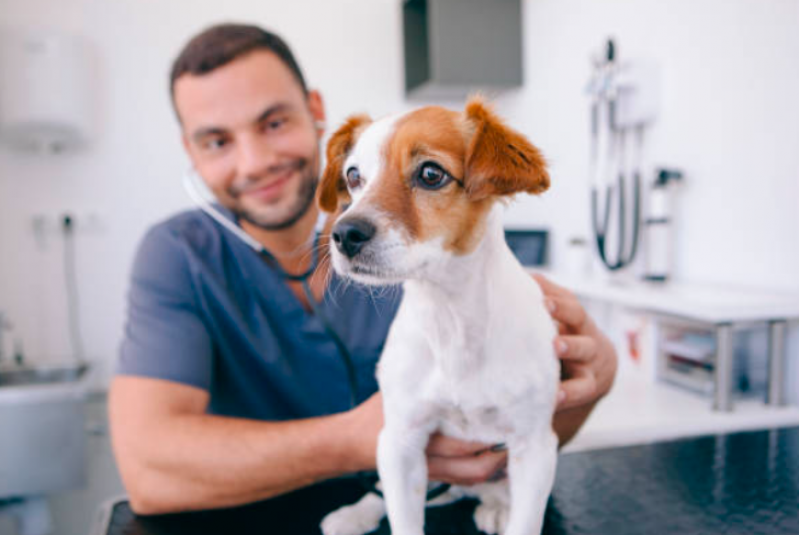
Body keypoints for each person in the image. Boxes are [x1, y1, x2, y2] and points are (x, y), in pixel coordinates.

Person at [108, 23, 618, 518]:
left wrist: (593, 377)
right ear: (190, 152)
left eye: (273, 122)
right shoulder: (177, 255)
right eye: (216, 141)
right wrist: (362, 437)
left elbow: (514, 442)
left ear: (315, 112)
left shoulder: (454, 261)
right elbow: (149, 475)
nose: (255, 161)